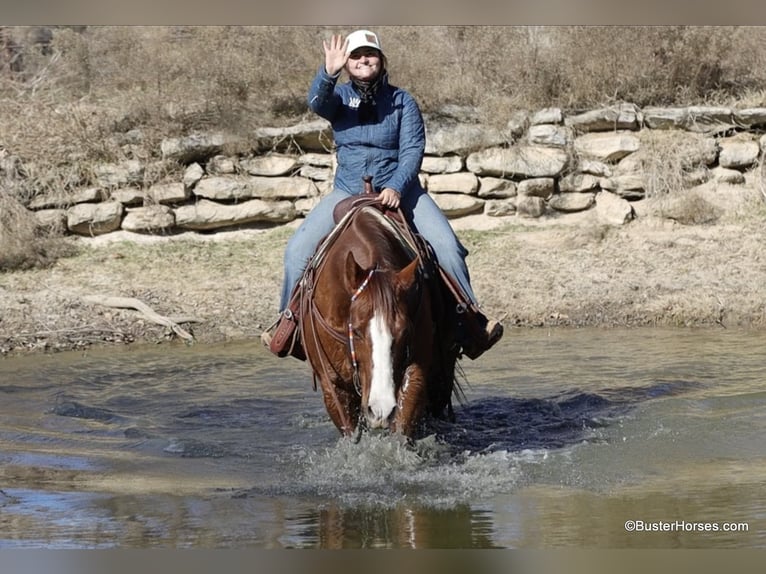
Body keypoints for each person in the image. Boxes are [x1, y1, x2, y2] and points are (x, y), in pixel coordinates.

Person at [262, 29, 502, 360]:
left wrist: (396, 187)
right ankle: (289, 328)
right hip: (348, 190)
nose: (363, 60)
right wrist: (327, 73)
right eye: (355, 56)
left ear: (381, 60)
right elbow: (317, 102)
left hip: (401, 190)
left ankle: (470, 325)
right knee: (297, 250)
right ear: (347, 64)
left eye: (369, 55)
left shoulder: (403, 101)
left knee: (448, 248)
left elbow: (413, 150)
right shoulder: (339, 99)